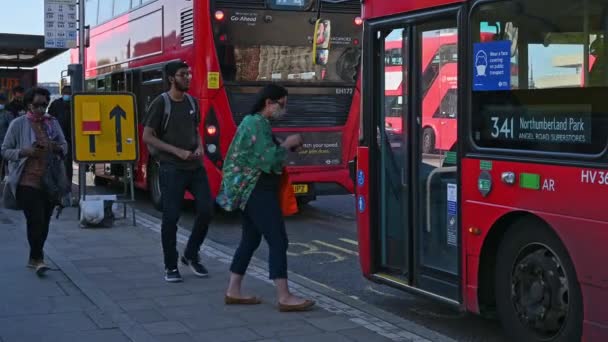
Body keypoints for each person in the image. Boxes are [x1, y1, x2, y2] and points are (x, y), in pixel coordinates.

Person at [217, 84, 315, 312]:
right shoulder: (256, 123)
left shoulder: (256, 123)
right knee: (278, 240)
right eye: (282, 104)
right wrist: (288, 144)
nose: (284, 109)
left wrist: (285, 147)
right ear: (268, 102)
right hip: (256, 190)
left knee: (250, 240)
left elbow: (259, 154)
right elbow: (267, 160)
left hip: (252, 190)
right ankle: (284, 296)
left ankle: (233, 290)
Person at [142, 60, 213, 283]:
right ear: (172, 78)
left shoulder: (192, 101)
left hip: (195, 166)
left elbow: (195, 130)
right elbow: (147, 136)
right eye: (183, 75)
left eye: (189, 74)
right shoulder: (161, 103)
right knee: (171, 218)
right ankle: (170, 266)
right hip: (171, 169)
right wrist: (177, 151)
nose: (188, 78)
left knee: (207, 209)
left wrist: (200, 146)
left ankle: (191, 254)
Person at [1, 87, 67, 276]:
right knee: (35, 219)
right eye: (37, 105)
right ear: (29, 104)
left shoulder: (52, 123)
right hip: (26, 180)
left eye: (44, 105)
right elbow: (5, 150)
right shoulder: (18, 124)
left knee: (45, 222)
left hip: (50, 180)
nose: (41, 109)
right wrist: (25, 152)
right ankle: (38, 259)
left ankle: (34, 257)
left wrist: (57, 148)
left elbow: (65, 145)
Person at [48, 85, 74, 194]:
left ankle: (67, 188)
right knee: (56, 163)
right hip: (57, 139)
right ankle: (58, 187)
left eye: (68, 92)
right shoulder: (56, 104)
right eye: (65, 92)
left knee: (67, 165)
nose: (67, 94)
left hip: (70, 139)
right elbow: (49, 119)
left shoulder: (75, 103)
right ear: (62, 93)